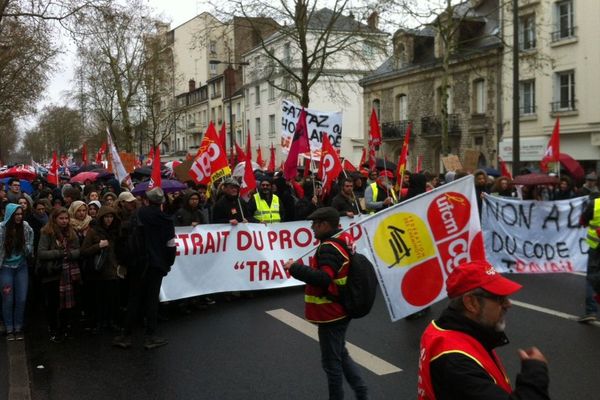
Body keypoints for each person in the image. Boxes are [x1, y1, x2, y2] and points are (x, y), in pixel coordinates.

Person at [417, 259, 550, 400]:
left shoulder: (446, 330)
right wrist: (535, 374)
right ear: (471, 303)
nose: (508, 304)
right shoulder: (456, 363)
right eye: (500, 298)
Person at [284, 207, 368, 400]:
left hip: (331, 313)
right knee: (341, 355)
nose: (312, 228)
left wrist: (295, 268)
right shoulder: (338, 241)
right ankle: (362, 392)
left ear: (324, 225)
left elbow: (323, 278)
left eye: (315, 224)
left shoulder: (328, 248)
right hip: (338, 310)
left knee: (332, 365)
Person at [113, 187, 176, 350]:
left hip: (137, 264)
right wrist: (169, 262)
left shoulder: (137, 215)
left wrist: (125, 260)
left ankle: (125, 336)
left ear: (146, 200)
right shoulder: (166, 220)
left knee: (134, 299)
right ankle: (150, 336)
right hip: (156, 264)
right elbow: (170, 245)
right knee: (151, 299)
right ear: (161, 202)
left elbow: (123, 238)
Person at [36, 207, 81, 342]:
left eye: (66, 218)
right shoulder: (47, 232)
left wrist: (71, 254)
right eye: (61, 218)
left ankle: (65, 327)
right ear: (54, 219)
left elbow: (78, 250)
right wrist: (60, 253)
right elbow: (41, 253)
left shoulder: (71, 232)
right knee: (53, 303)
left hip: (68, 272)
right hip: (53, 272)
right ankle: (54, 328)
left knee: (67, 304)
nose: (64, 221)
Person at [80, 206, 121, 332]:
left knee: (112, 298)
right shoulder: (94, 231)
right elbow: (84, 251)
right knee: (99, 299)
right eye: (106, 217)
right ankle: (99, 322)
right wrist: (98, 246)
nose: (109, 220)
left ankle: (111, 321)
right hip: (99, 271)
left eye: (111, 217)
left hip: (113, 270)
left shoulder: (116, 231)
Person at [0, 204, 34, 341]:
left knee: (21, 298)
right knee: (8, 299)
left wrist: (27, 247)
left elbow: (31, 243)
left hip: (21, 266)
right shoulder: (1, 229)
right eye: (16, 214)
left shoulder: (25, 226)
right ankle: (9, 328)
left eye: (21, 214)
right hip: (6, 268)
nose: (19, 216)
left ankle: (18, 327)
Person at [577, 193, 600, 322]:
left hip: (596, 247)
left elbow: (583, 221)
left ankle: (591, 311)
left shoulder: (596, 203)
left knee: (592, 277)